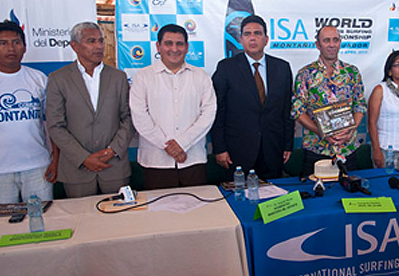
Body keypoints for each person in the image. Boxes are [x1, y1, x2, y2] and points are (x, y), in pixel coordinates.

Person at [0, 21, 58, 205]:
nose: (10, 48)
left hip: (38, 168)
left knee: (43, 223)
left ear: (24, 47)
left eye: (16, 42)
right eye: (3, 43)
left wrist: (55, 160)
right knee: (0, 228)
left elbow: (53, 123)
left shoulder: (38, 79)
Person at [46, 22, 134, 198]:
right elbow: (56, 126)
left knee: (119, 221)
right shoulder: (58, 79)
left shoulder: (118, 77)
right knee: (82, 221)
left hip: (114, 167)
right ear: (75, 46)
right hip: (77, 169)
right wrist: (83, 158)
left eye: (101, 41)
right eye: (91, 41)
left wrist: (112, 151)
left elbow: (129, 119)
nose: (99, 46)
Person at [130, 24, 216, 188]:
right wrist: (169, 147)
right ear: (158, 46)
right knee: (160, 212)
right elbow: (140, 116)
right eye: (168, 43)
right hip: (156, 161)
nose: (174, 49)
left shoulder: (201, 76)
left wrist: (182, 143)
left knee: (198, 210)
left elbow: (208, 114)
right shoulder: (143, 77)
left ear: (187, 47)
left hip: (192, 159)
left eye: (179, 44)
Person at [211, 15, 294, 180]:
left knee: (272, 198)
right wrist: (219, 148)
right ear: (241, 40)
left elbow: (287, 110)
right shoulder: (226, 68)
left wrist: (287, 145)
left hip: (273, 149)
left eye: (258, 33)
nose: (253, 38)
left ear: (266, 39)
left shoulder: (282, 68)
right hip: (237, 152)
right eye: (247, 34)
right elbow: (217, 111)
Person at [292, 25, 366, 176]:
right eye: (326, 40)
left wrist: (350, 130)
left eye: (335, 40)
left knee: (350, 195)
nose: (331, 44)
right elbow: (297, 111)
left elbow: (360, 105)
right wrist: (322, 132)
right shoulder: (305, 74)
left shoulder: (352, 72)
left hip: (347, 148)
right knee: (315, 196)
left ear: (340, 43)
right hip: (316, 150)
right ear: (318, 45)